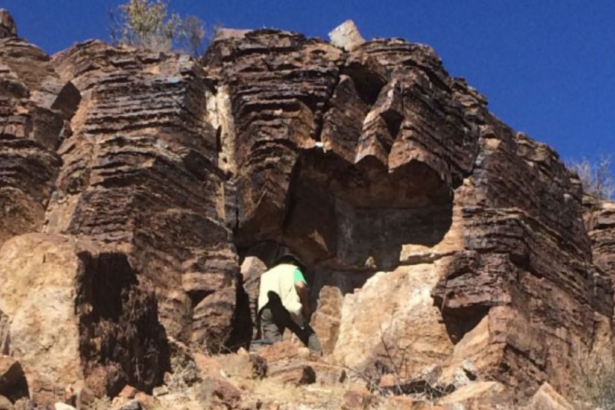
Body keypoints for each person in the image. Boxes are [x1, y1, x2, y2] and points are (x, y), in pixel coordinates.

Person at [257, 253, 322, 353]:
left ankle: (274, 364)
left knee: (272, 345)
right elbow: (300, 285)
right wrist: (305, 306)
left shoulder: (266, 274)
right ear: (292, 262)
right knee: (308, 334)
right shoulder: (293, 269)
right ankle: (318, 357)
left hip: (266, 309)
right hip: (286, 306)